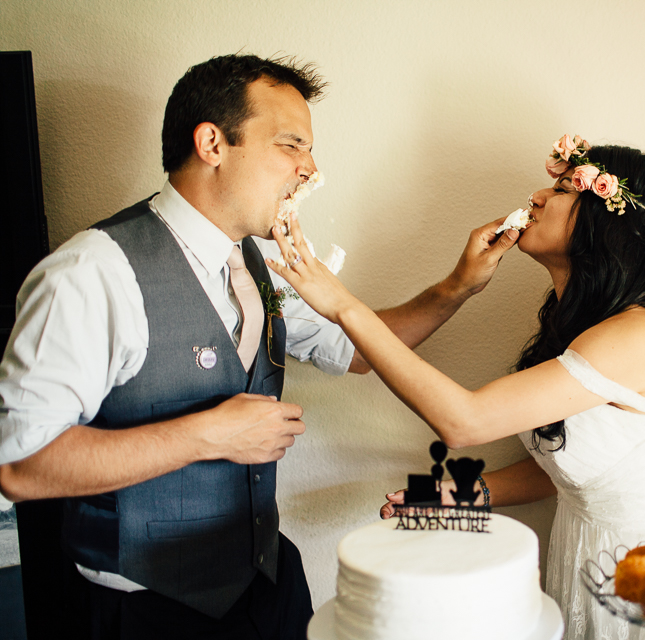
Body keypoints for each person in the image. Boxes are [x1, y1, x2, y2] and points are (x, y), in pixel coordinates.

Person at [0, 54, 516, 639]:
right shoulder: (90, 274)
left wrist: (457, 288)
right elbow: (21, 464)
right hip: (144, 612)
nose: (311, 168)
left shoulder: (258, 262)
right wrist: (207, 435)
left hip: (266, 585)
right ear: (213, 143)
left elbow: (358, 349)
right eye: (292, 145)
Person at [266, 135, 645, 639]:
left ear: (609, 221)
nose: (538, 196)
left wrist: (343, 306)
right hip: (584, 555)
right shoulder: (584, 329)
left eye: (566, 186)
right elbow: (577, 469)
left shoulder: (639, 332)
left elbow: (465, 422)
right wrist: (464, 494)